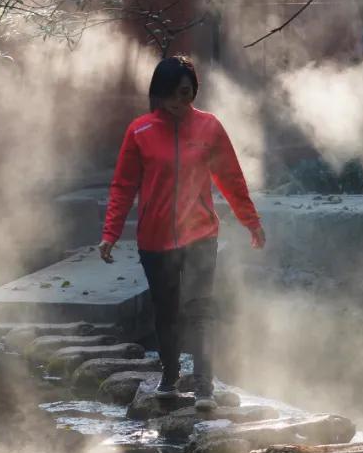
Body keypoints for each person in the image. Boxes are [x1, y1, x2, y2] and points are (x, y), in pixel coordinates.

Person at [98, 56, 265, 412]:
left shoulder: (210, 128)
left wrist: (250, 221)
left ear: (193, 92)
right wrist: (110, 233)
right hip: (155, 241)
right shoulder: (140, 131)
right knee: (166, 312)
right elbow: (123, 186)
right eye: (172, 95)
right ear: (158, 94)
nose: (179, 102)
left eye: (186, 93)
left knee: (201, 310)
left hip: (200, 236)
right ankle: (170, 376)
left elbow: (231, 179)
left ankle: (204, 385)